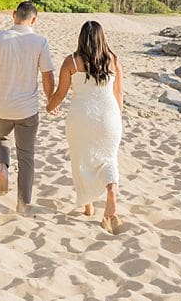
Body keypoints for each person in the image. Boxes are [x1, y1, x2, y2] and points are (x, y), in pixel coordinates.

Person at [0, 1, 55, 214]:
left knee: (1, 138)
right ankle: (23, 202)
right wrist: (50, 100)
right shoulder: (40, 41)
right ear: (34, 20)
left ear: (13, 14)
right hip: (27, 109)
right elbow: (47, 75)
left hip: (1, 105)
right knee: (26, 155)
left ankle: (2, 167)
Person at [46, 20, 124, 232]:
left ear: (81, 38)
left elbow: (60, 94)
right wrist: (119, 118)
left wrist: (49, 106)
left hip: (81, 118)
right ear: (102, 38)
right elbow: (118, 94)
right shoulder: (113, 60)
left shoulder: (71, 61)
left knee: (82, 160)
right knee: (109, 160)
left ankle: (88, 207)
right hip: (109, 117)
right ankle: (111, 190)